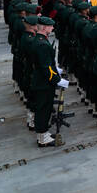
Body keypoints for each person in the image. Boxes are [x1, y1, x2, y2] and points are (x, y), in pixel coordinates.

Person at [28, 15, 68, 147]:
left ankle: (43, 133)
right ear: (44, 28)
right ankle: (42, 137)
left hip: (40, 80)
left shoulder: (39, 40)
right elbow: (46, 67)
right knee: (43, 109)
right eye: (50, 26)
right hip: (43, 83)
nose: (52, 28)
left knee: (44, 108)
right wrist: (57, 80)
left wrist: (56, 70)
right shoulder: (42, 44)